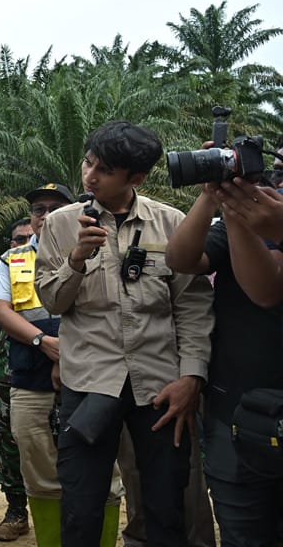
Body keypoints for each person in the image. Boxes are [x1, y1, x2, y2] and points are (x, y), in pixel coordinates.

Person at [35, 121, 213, 546]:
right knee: (81, 506)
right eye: (88, 162)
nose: (90, 176)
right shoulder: (61, 224)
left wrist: (192, 377)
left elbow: (192, 305)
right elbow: (52, 302)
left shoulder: (171, 223)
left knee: (166, 507)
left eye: (105, 170)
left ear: (136, 178)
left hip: (161, 389)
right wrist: (76, 260)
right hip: (89, 383)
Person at [0, 185, 125, 546]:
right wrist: (42, 342)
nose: (46, 215)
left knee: (104, 471)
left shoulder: (103, 249)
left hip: (93, 380)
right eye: (39, 209)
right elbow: (1, 311)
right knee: (38, 470)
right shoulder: (12, 259)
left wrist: (65, 351)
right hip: (30, 381)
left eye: (56, 207)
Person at [165, 149, 283, 546]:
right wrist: (211, 197)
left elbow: (265, 289)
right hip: (233, 412)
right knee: (242, 532)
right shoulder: (257, 222)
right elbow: (180, 258)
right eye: (278, 168)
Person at [0, 218, 33, 542]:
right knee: (4, 437)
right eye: (18, 239)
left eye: (30, 238)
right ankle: (17, 511)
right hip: (6, 374)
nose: (24, 244)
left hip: (57, 371)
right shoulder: (2, 273)